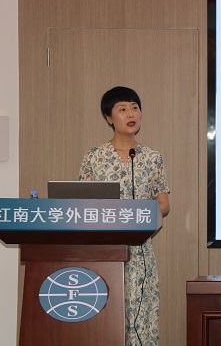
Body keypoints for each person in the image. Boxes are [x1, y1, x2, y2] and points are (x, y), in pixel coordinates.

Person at [78, 86, 170, 345]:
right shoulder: (94, 157)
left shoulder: (152, 158)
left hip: (140, 254)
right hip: (103, 253)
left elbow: (164, 204)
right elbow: (81, 203)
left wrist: (140, 214)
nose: (131, 114)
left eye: (135, 108)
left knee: (141, 322)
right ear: (109, 118)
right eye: (122, 109)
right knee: (106, 320)